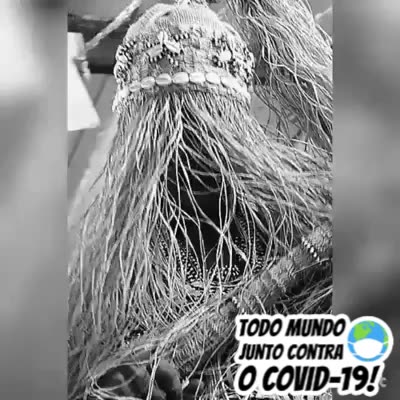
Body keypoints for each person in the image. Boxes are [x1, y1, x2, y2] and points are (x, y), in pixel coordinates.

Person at [68, 1, 332, 399]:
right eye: (168, 148)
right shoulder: (114, 282)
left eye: (204, 141)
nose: (189, 163)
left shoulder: (303, 225)